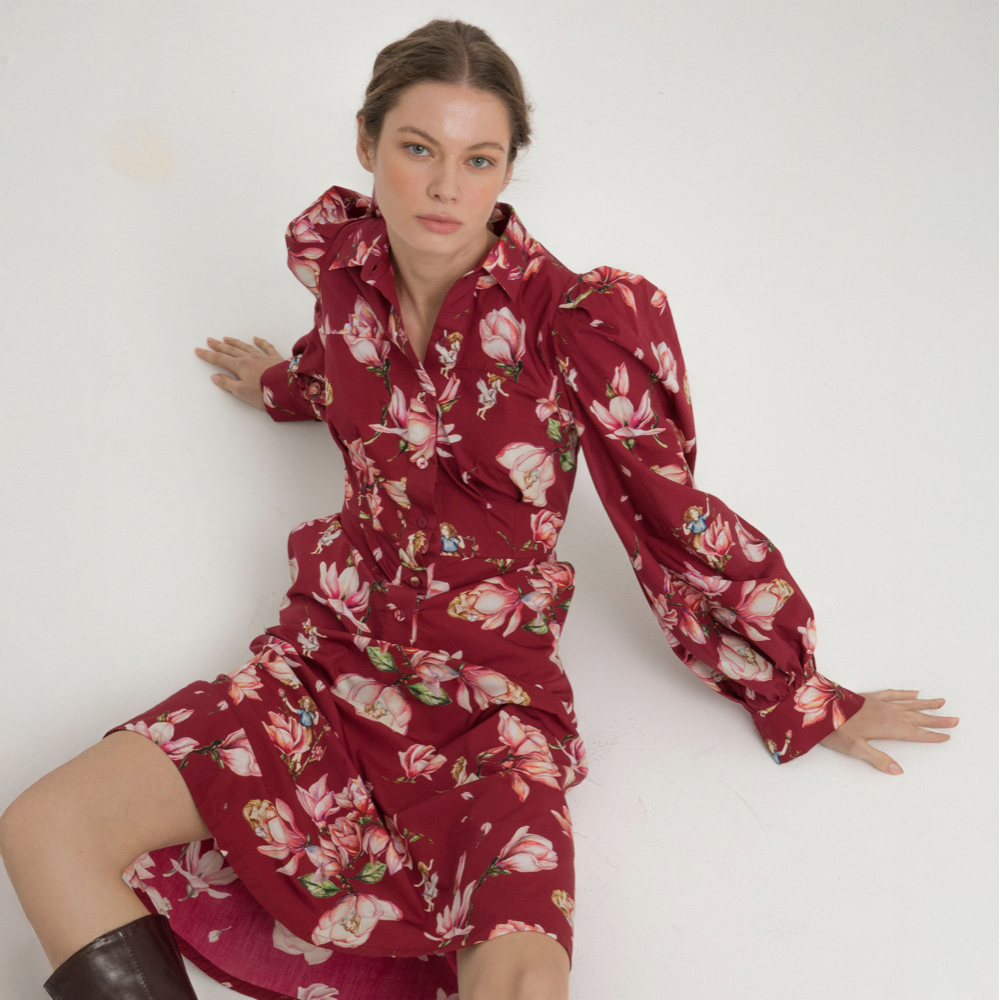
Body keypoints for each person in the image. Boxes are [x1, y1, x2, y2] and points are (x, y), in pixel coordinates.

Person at [0, 17, 960, 1000]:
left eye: (478, 159)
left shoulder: (576, 322)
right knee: (44, 828)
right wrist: (282, 387)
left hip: (486, 700)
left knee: (523, 979)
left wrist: (797, 690)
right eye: (418, 149)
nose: (446, 187)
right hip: (327, 656)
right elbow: (345, 368)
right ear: (367, 143)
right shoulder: (344, 267)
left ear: (507, 168)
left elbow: (671, 516)